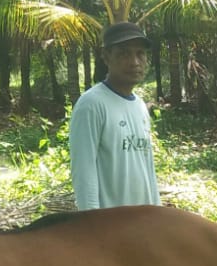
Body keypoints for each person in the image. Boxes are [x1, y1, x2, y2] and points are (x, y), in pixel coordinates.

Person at [69, 21, 160, 211]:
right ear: (106, 56)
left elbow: (148, 168)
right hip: (110, 229)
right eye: (124, 53)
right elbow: (83, 172)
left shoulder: (140, 106)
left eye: (140, 54)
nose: (134, 62)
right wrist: (93, 224)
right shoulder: (92, 104)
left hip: (142, 224)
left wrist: (157, 215)